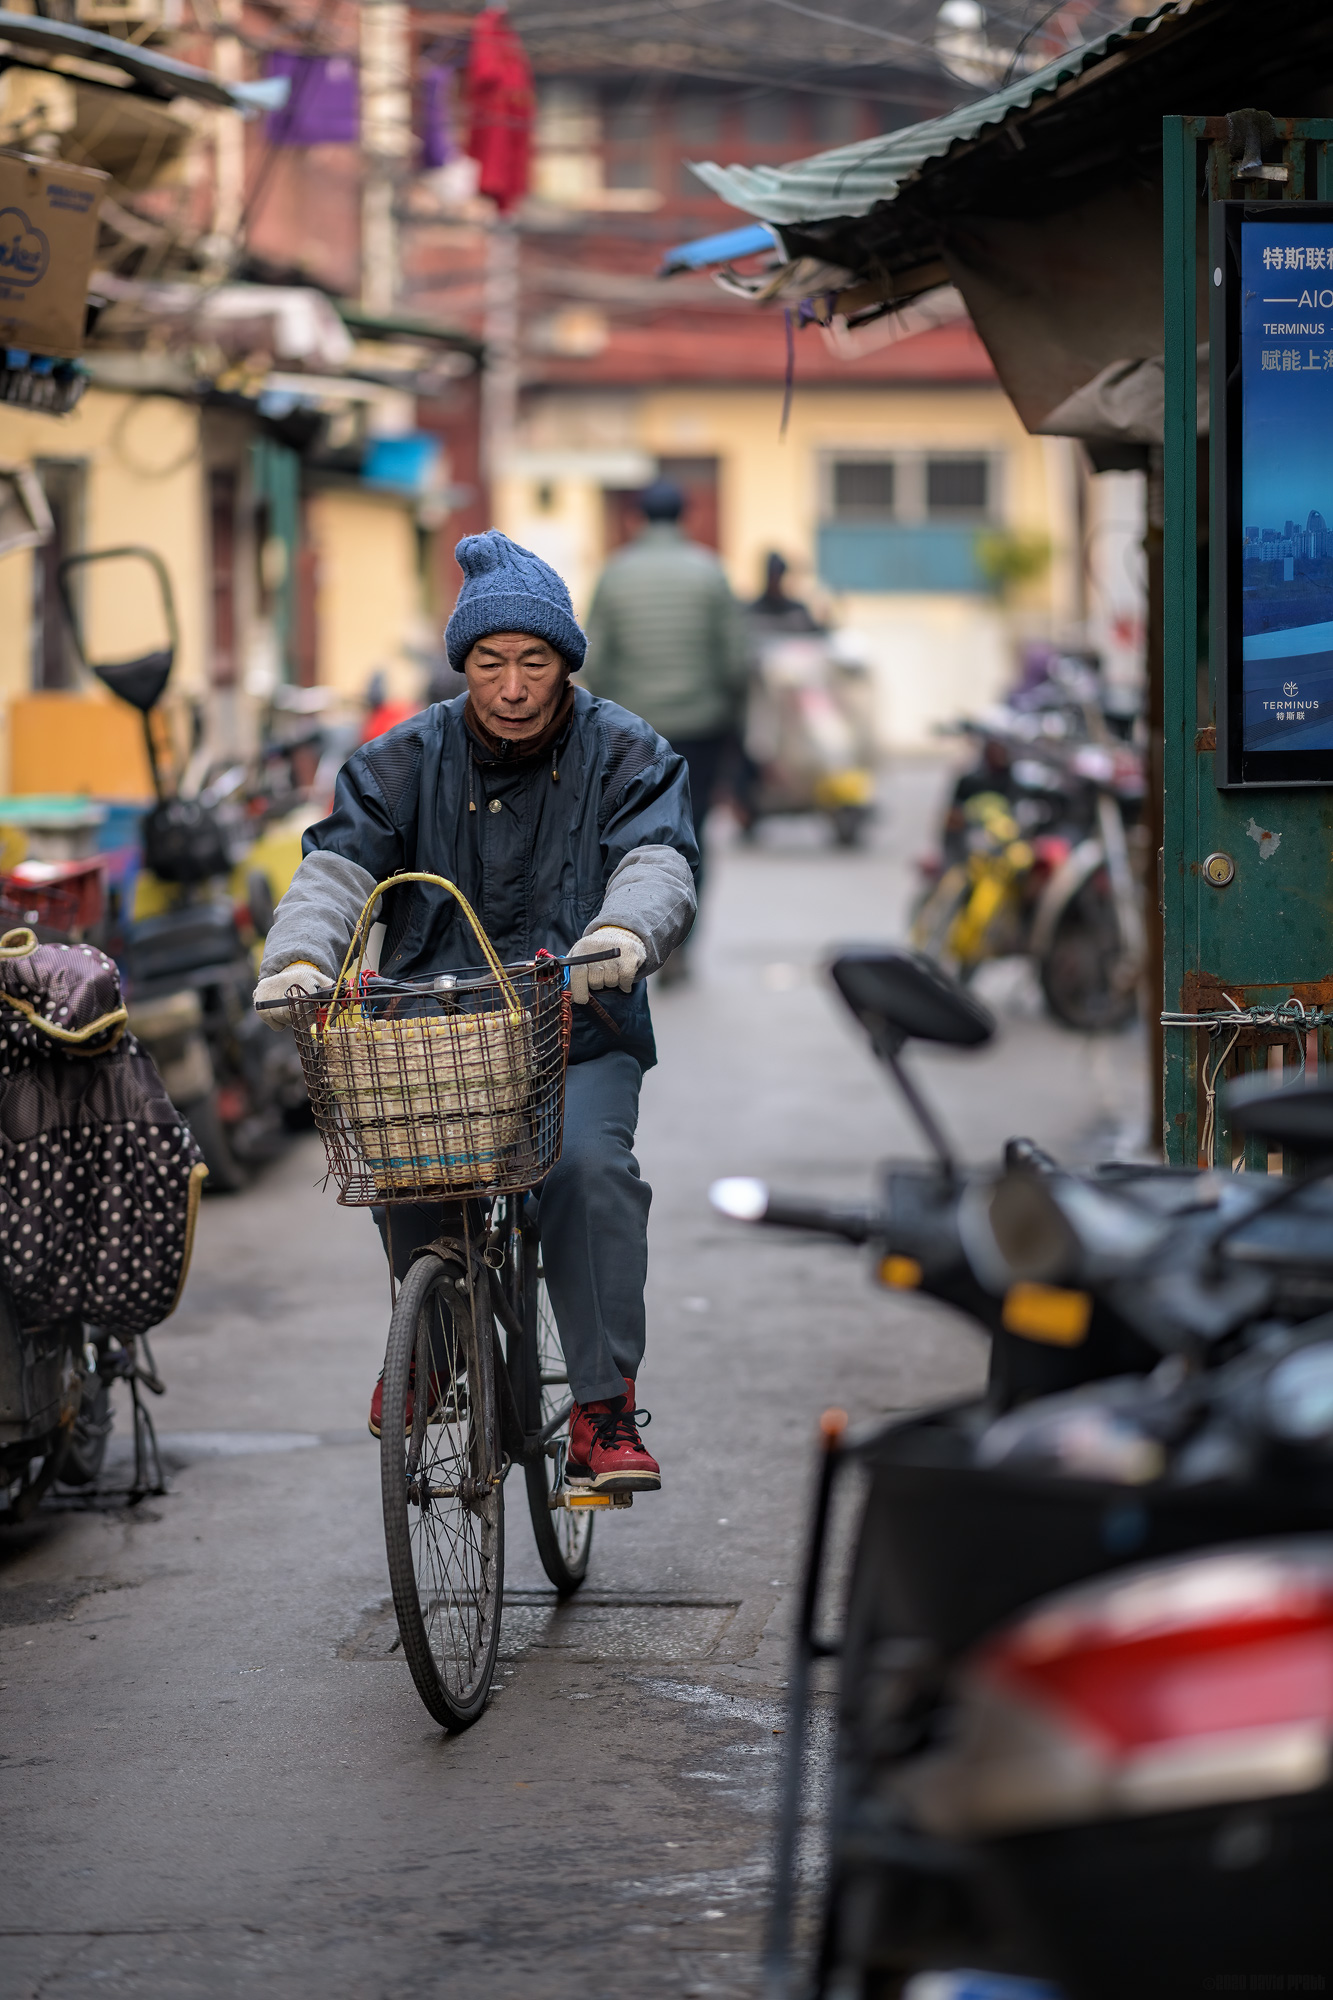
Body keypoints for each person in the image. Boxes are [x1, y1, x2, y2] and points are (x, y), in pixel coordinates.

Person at [252, 531, 699, 1494]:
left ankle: (601, 1409)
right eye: (489, 663)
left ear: (564, 664)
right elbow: (335, 867)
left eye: (532, 662)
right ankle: (440, 1342)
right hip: (435, 1035)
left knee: (587, 1168)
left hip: (579, 1028)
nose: (510, 684)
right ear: (464, 665)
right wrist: (298, 955)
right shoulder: (402, 759)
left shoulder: (627, 750)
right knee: (408, 1166)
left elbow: (658, 857)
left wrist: (624, 933)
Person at [581, 478, 748, 976]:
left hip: (632, 731)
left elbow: (597, 658)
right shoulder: (710, 572)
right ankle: (682, 944)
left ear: (637, 519)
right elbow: (736, 661)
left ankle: (631, 933)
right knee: (692, 832)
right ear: (685, 517)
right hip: (701, 724)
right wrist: (730, 711)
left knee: (631, 833)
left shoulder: (614, 575)